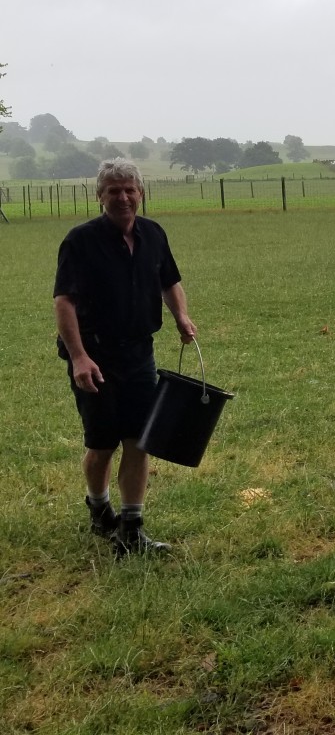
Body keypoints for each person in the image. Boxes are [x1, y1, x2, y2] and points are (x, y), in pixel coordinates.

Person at [54, 157, 196, 556]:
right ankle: (99, 509)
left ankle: (131, 529)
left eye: (129, 189)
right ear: (100, 196)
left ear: (141, 193)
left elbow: (170, 280)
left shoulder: (153, 234)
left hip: (139, 353)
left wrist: (181, 316)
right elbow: (64, 301)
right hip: (94, 354)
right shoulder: (80, 241)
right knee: (102, 443)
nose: (123, 197)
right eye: (113, 190)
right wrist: (79, 357)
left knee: (139, 439)